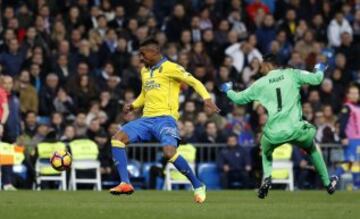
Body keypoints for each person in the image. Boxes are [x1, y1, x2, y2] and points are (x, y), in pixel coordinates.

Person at [110, 39, 219, 203]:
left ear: (155, 51)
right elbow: (144, 95)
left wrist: (206, 98)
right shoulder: (144, 71)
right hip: (146, 119)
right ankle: (125, 182)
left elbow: (194, 81)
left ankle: (197, 185)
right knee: (117, 139)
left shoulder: (172, 68)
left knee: (169, 152)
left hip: (165, 119)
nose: (140, 57)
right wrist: (133, 106)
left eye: (143, 53)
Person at [219, 54, 338, 199]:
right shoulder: (292, 74)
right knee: (312, 149)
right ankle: (328, 184)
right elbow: (317, 79)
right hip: (296, 129)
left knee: (266, 152)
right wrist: (319, 68)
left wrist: (227, 89)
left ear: (269, 65)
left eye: (262, 65)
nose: (260, 68)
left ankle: (267, 178)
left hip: (273, 132)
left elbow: (238, 99)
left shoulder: (260, 83)